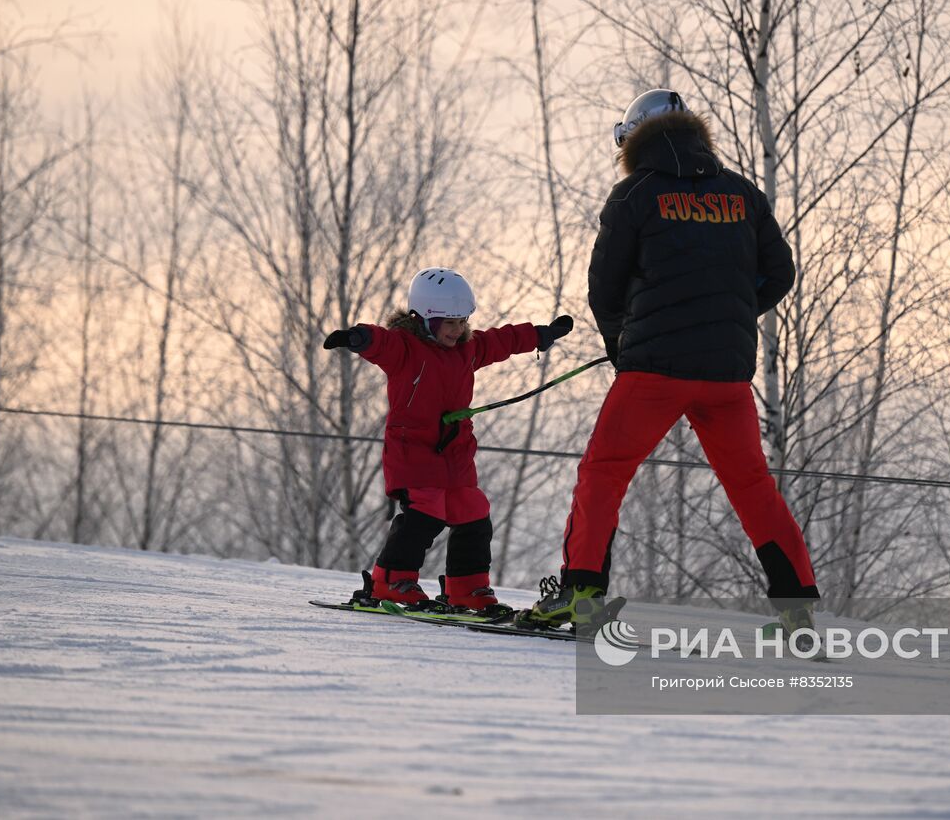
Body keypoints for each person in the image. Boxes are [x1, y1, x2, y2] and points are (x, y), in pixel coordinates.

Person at [529, 89, 820, 632]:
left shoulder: (633, 195)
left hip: (652, 372)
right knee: (753, 486)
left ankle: (581, 596)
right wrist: (724, 316)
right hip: (726, 375)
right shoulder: (744, 195)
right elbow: (780, 275)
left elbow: (605, 290)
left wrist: (624, 343)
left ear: (634, 139)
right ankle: (796, 608)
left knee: (604, 474)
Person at [324, 267, 572, 612]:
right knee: (425, 513)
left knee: (473, 512)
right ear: (425, 319)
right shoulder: (406, 349)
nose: (457, 330)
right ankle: (391, 580)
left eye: (462, 321)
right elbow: (382, 342)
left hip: (455, 454)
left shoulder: (466, 350)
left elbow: (500, 341)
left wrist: (539, 335)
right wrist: (359, 338)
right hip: (414, 451)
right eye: (449, 323)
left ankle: (467, 586)